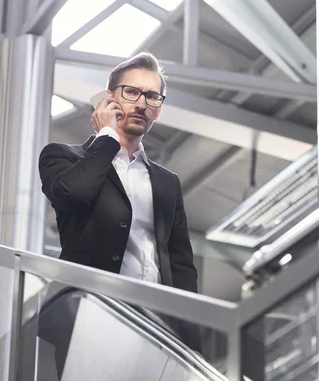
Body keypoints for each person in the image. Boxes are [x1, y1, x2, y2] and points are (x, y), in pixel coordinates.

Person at [38, 52, 201, 363]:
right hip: (92, 317)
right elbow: (74, 194)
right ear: (108, 99)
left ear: (158, 111)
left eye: (151, 96)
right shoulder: (63, 156)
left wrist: (192, 344)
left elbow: (181, 266)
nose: (141, 103)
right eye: (131, 92)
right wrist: (108, 136)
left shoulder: (167, 183)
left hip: (159, 327)